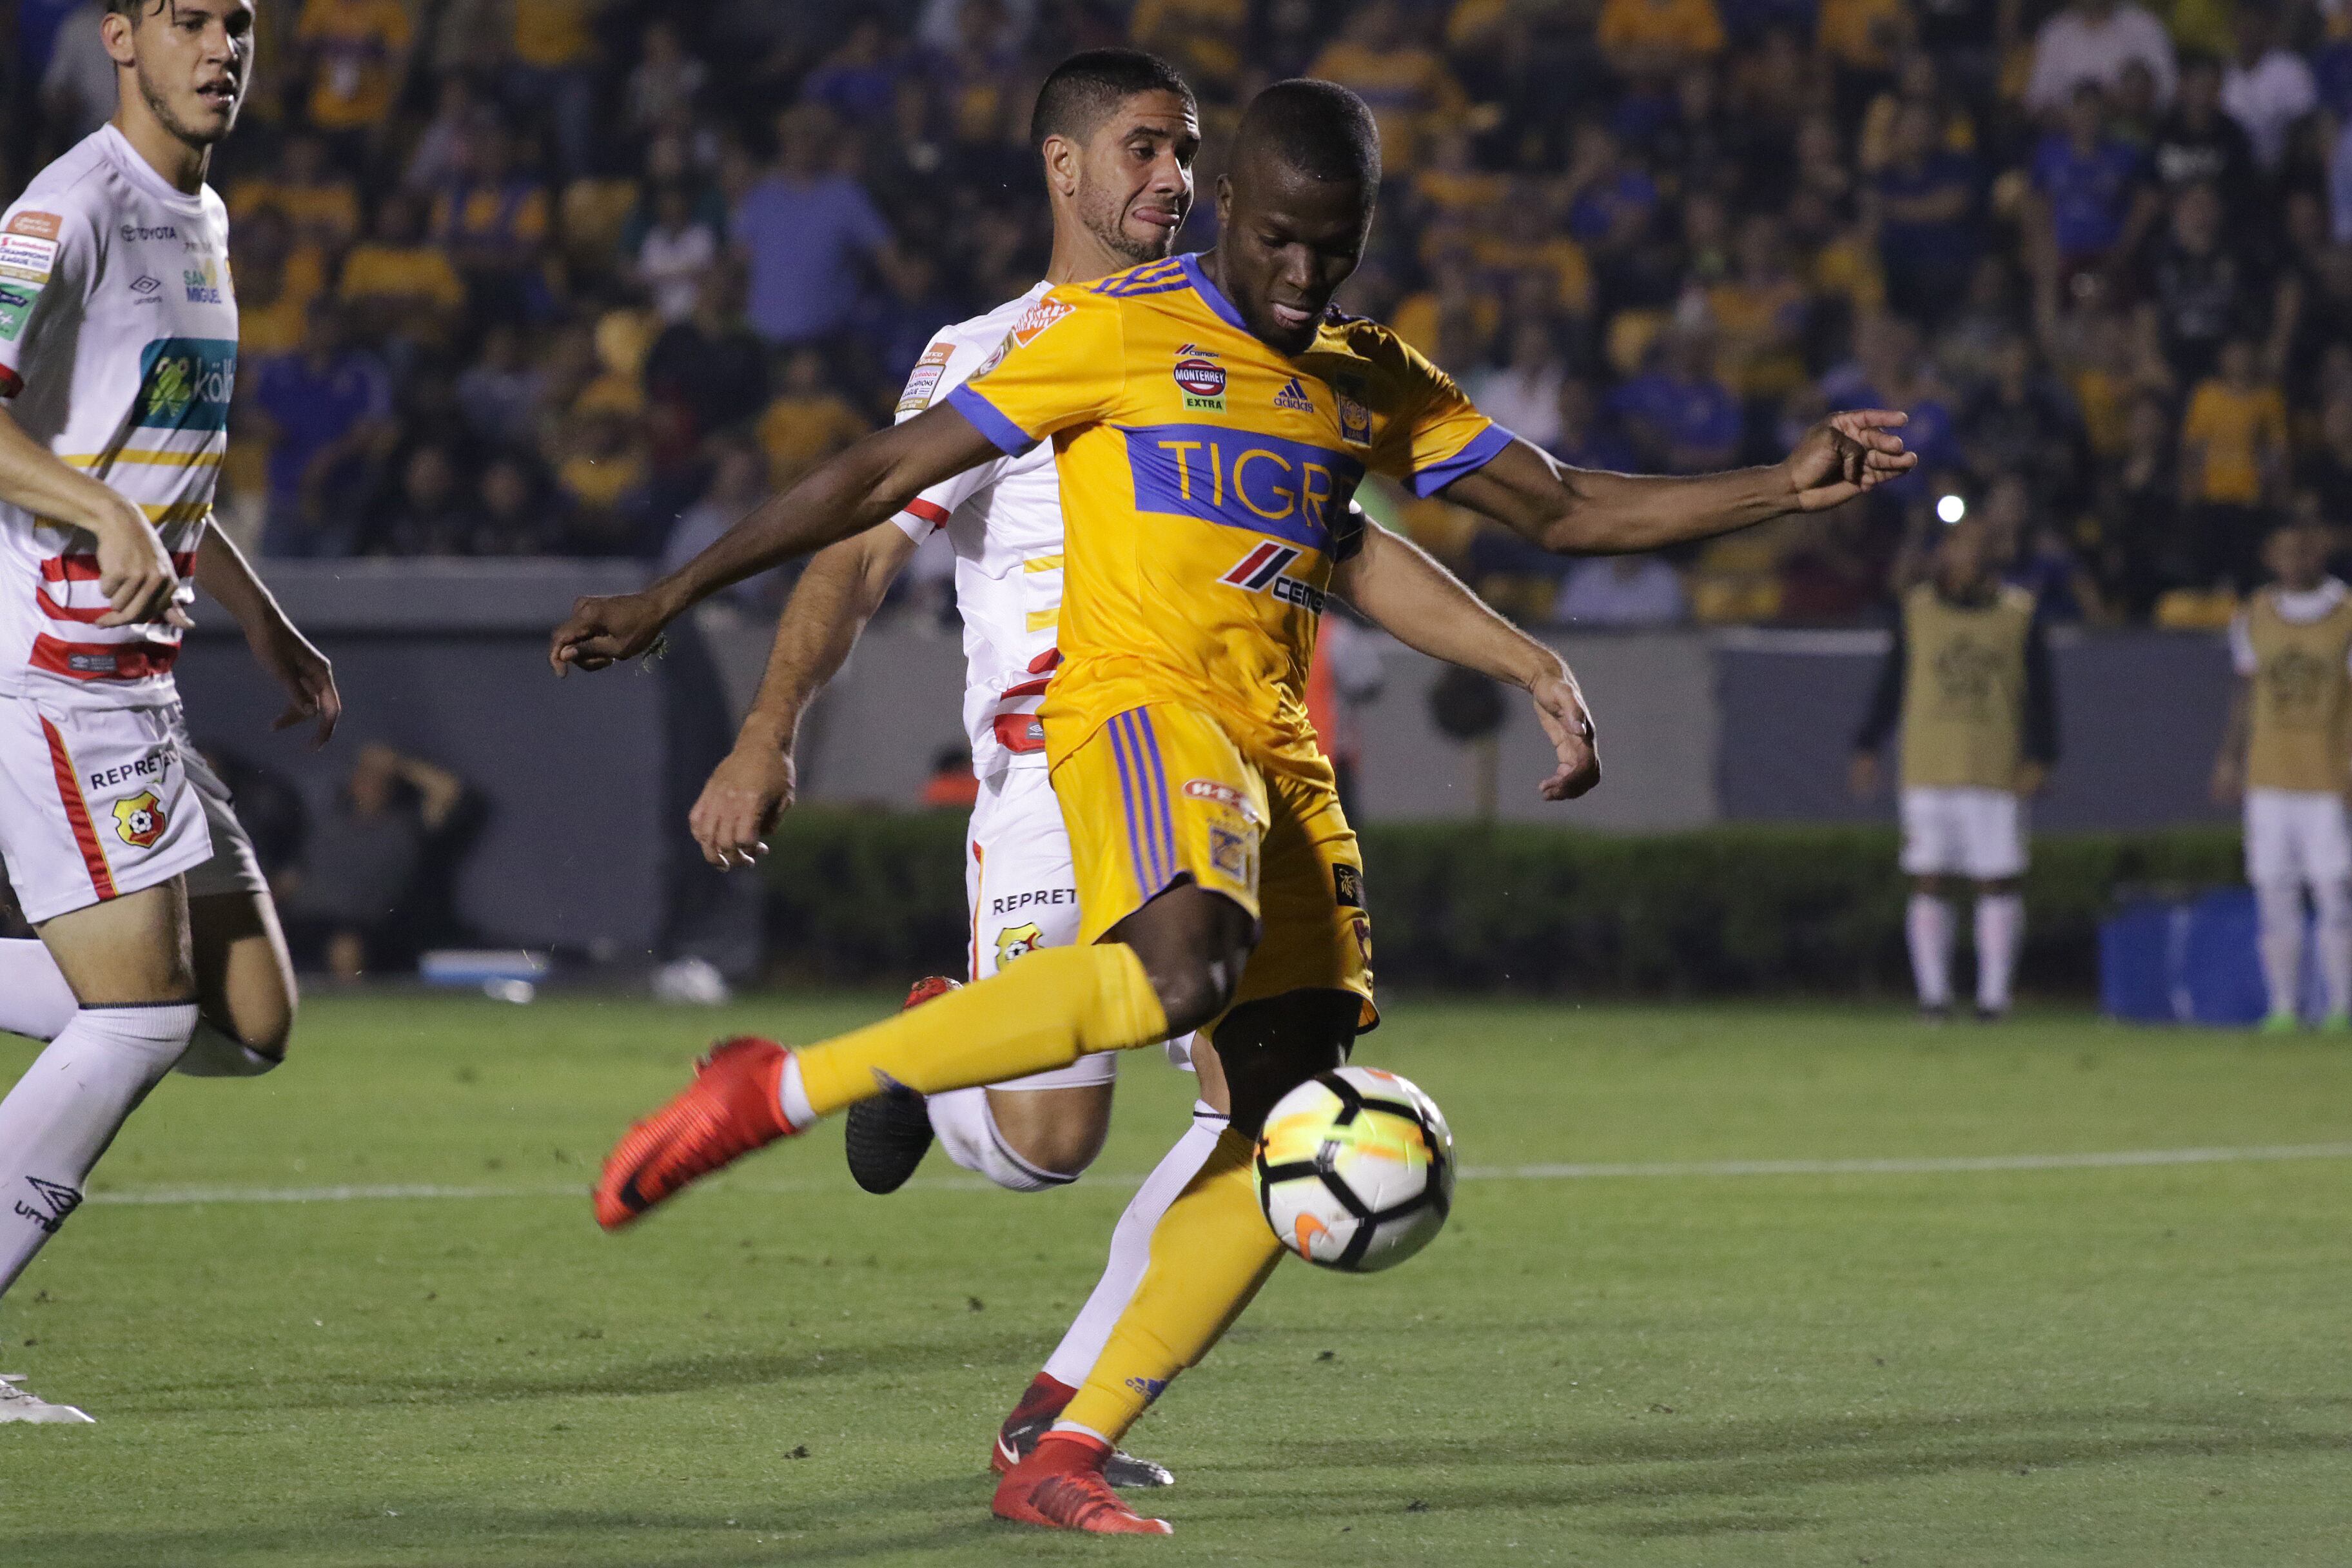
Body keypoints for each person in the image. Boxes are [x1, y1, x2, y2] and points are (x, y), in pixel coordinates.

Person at [551, 78, 1913, 1533]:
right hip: (1136, 708)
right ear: (1230, 209)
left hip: (1276, 749)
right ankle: (774, 1088)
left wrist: (1778, 487)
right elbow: (879, 478)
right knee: (1169, 984)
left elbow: (1564, 505)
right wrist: (671, 595)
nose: (1303, 272)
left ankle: (1067, 1445)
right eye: (1278, 239)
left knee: (1285, 1106)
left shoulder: (1368, 373)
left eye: (1335, 247)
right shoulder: (1108, 329)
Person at [0, 0, 342, 1423]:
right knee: (141, 1021)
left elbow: (162, 462)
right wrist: (94, 513)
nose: (221, 49)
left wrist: (261, 616)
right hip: (56, 672)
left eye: (239, 22)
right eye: (188, 19)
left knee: (247, 1018)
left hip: (144, 681)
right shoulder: (63, 213)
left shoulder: (200, 218)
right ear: (120, 38)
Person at [1850, 518, 2057, 1021]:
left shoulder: (2019, 614)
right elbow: (1892, 682)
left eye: (1975, 546)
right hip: (1928, 764)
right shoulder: (1916, 611)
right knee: (1929, 877)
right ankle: (1934, 998)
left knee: (1997, 879)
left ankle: (1993, 1000)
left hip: (1994, 765)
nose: (1965, 556)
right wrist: (1867, 744)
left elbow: (2041, 693)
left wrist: (2041, 756)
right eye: (1957, 545)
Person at [2210, 520, 2352, 1030]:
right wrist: (2230, 758)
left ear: (2321, 553)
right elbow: (2245, 690)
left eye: (2305, 551)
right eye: (2286, 552)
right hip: (2269, 774)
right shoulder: (2254, 614)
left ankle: (2340, 1008)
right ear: (2271, 557)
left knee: (2334, 892)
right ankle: (2284, 1008)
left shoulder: (2346, 613)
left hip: (2328, 774)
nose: (2296, 561)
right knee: (2273, 892)